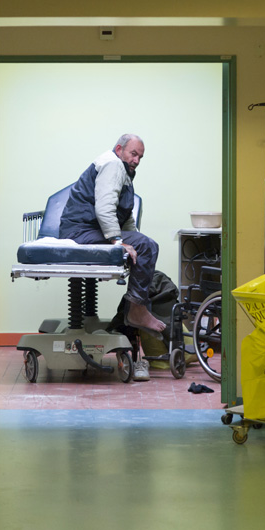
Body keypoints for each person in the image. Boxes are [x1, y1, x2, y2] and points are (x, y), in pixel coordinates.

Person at [59, 134, 165, 381]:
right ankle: (137, 310)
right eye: (133, 154)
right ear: (120, 149)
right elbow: (104, 208)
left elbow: (124, 217)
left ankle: (136, 308)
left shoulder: (124, 171)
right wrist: (119, 243)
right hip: (79, 232)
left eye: (140, 156)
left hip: (88, 229)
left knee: (146, 245)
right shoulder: (112, 164)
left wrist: (134, 241)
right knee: (148, 246)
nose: (137, 160)